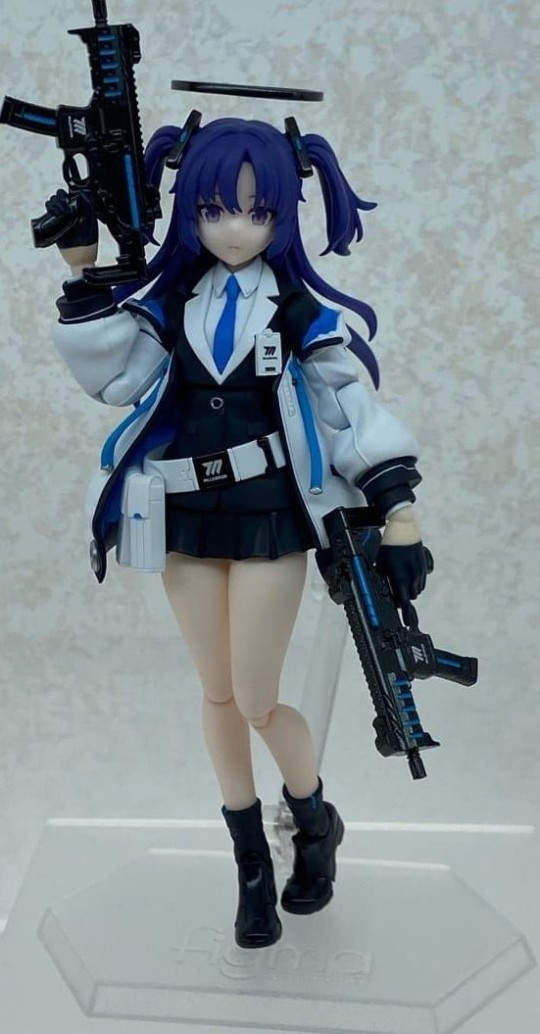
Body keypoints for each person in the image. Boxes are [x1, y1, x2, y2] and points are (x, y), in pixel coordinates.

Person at [49, 116, 427, 949]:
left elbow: (346, 403)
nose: (234, 228)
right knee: (216, 694)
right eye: (214, 208)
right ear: (189, 209)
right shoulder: (171, 302)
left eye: (257, 212)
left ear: (283, 215)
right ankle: (251, 864)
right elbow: (114, 376)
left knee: (256, 698)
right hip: (185, 516)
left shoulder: (294, 311)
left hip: (268, 518)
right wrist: (82, 272)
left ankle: (314, 820)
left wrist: (398, 508)